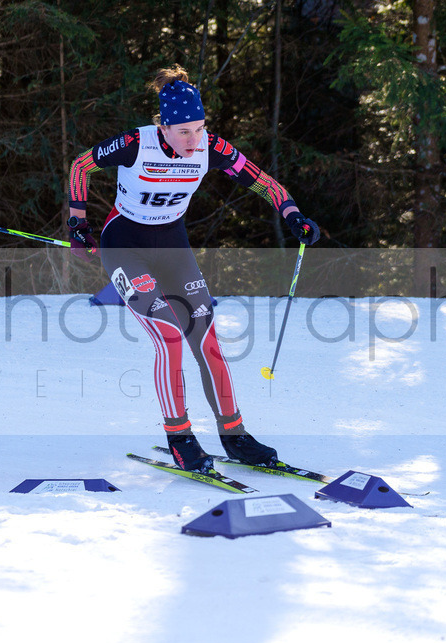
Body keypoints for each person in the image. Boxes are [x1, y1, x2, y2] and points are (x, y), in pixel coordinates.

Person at [66, 64, 320, 474]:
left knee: (206, 339)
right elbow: (81, 167)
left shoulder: (211, 148)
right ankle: (180, 436)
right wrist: (78, 222)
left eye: (199, 129)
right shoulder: (135, 143)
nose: (193, 139)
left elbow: (262, 181)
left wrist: (292, 214)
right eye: (183, 131)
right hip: (124, 247)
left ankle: (235, 436)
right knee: (168, 336)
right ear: (162, 128)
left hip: (172, 247)